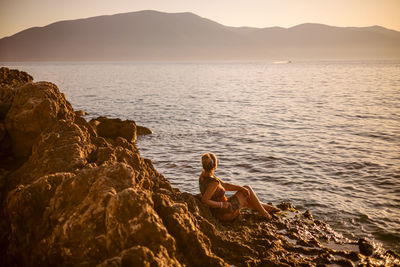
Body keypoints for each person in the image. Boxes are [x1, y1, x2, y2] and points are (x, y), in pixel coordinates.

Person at [199, 153, 279, 221]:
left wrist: (241, 188)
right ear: (215, 165)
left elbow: (225, 185)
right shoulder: (213, 183)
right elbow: (205, 200)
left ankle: (267, 208)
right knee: (247, 190)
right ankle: (265, 213)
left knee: (246, 193)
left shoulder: (204, 176)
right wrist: (221, 204)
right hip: (225, 213)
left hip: (221, 210)